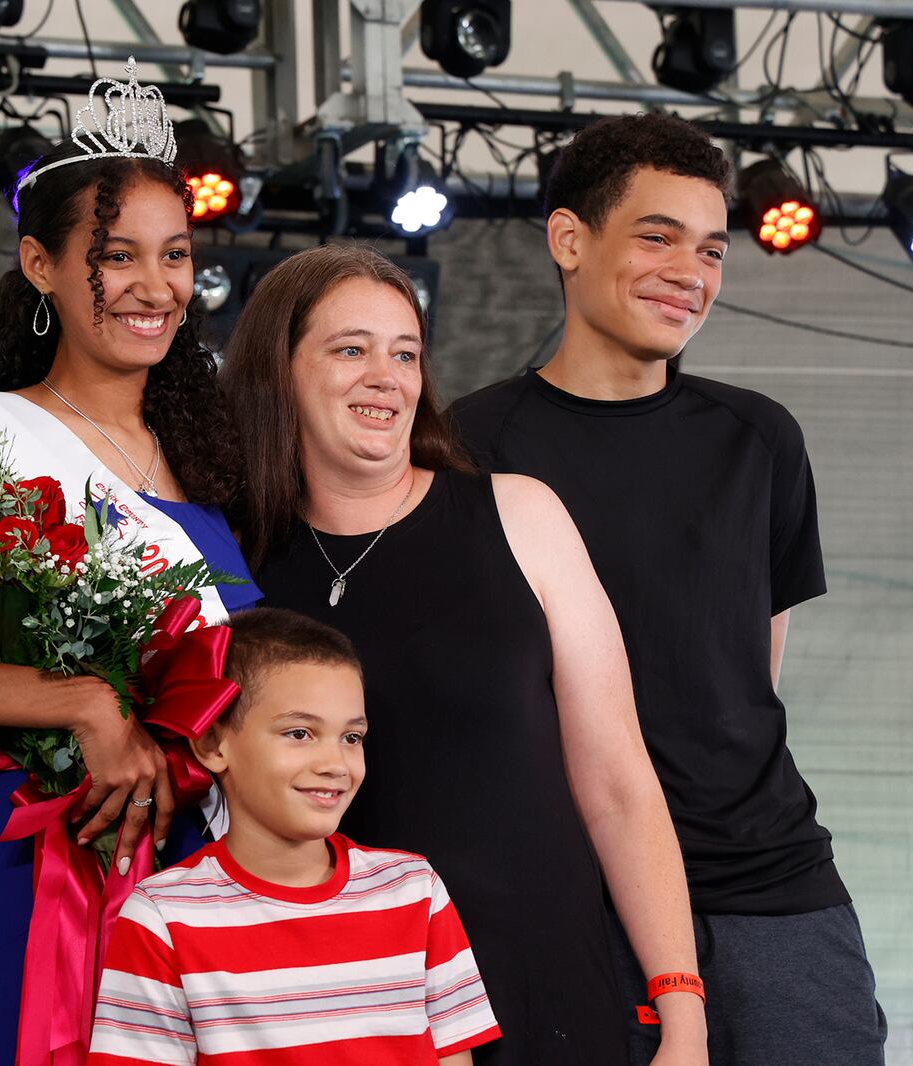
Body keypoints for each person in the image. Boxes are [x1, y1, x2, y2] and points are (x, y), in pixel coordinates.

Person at [448, 113, 885, 1066]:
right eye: (656, 236)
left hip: (773, 884)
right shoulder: (469, 449)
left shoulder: (760, 439)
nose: (689, 271)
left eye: (711, 248)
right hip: (577, 894)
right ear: (569, 240)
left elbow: (749, 675)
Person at [221, 243, 707, 1066]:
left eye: (405, 352)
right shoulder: (231, 560)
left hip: (541, 983)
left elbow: (620, 782)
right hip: (336, 1005)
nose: (388, 376)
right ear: (279, 370)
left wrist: (682, 1011)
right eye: (351, 349)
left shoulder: (519, 516)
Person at [0, 60, 259, 1064]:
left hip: (209, 861)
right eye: (117, 255)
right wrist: (42, 715)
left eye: (174, 254)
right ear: (42, 265)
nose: (155, 286)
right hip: (46, 853)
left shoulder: (214, 455)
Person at [90, 607, 501, 1066]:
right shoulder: (164, 916)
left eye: (352, 737)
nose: (335, 763)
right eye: (300, 733)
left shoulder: (413, 890)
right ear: (212, 745)